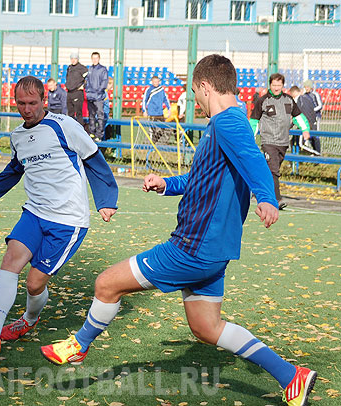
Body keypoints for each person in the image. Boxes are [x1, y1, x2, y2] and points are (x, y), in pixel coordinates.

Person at [40, 55, 317, 406]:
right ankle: (292, 377)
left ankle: (79, 345)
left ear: (204, 86)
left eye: (195, 94)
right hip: (215, 252)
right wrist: (166, 184)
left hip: (192, 247)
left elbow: (254, 160)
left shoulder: (227, 123)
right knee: (206, 328)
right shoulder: (227, 123)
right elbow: (201, 178)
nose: (196, 102)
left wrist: (266, 197)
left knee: (106, 284)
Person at [0, 76, 118, 355]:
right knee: (11, 259)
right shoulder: (18, 136)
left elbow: (94, 159)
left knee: (34, 283)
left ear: (43, 100)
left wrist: (106, 200)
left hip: (67, 220)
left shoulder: (65, 127)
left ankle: (28, 319)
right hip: (35, 213)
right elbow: (13, 171)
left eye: (32, 103)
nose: (27, 109)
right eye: (21, 103)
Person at [250, 73, 310, 210]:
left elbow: (297, 116)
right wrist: (251, 136)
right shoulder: (263, 101)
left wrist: (305, 129)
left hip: (283, 142)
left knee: (272, 169)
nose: (276, 88)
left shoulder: (288, 100)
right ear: (270, 85)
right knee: (273, 170)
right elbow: (254, 121)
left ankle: (257, 187)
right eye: (274, 85)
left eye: (279, 85)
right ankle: (277, 199)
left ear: (283, 86)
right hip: (268, 141)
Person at [288, 86, 321, 155]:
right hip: (308, 124)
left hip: (307, 125)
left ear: (293, 93)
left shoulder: (301, 100)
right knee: (293, 140)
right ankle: (294, 161)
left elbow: (300, 115)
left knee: (301, 144)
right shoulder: (304, 99)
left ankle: (317, 155)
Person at [85, 52, 108, 142]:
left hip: (98, 97)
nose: (95, 60)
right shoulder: (90, 69)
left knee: (100, 116)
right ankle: (92, 133)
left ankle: (99, 135)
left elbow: (104, 82)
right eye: (93, 58)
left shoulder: (103, 69)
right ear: (91, 59)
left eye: (96, 58)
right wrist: (87, 90)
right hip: (90, 96)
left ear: (99, 59)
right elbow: (86, 81)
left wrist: (98, 92)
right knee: (91, 116)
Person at [142, 76, 171, 143]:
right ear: (152, 82)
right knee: (152, 129)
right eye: (154, 82)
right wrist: (144, 110)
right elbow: (144, 100)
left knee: (163, 128)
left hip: (160, 112)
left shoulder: (161, 89)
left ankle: (155, 140)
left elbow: (166, 99)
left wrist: (169, 109)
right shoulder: (149, 90)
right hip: (151, 112)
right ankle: (152, 144)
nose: (156, 83)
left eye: (157, 81)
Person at [65, 52, 88, 126]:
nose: (73, 60)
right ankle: (70, 130)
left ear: (77, 59)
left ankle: (80, 130)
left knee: (78, 113)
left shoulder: (83, 68)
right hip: (69, 93)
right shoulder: (69, 67)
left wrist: (83, 86)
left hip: (77, 93)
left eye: (75, 58)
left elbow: (89, 79)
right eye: (72, 59)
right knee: (70, 113)